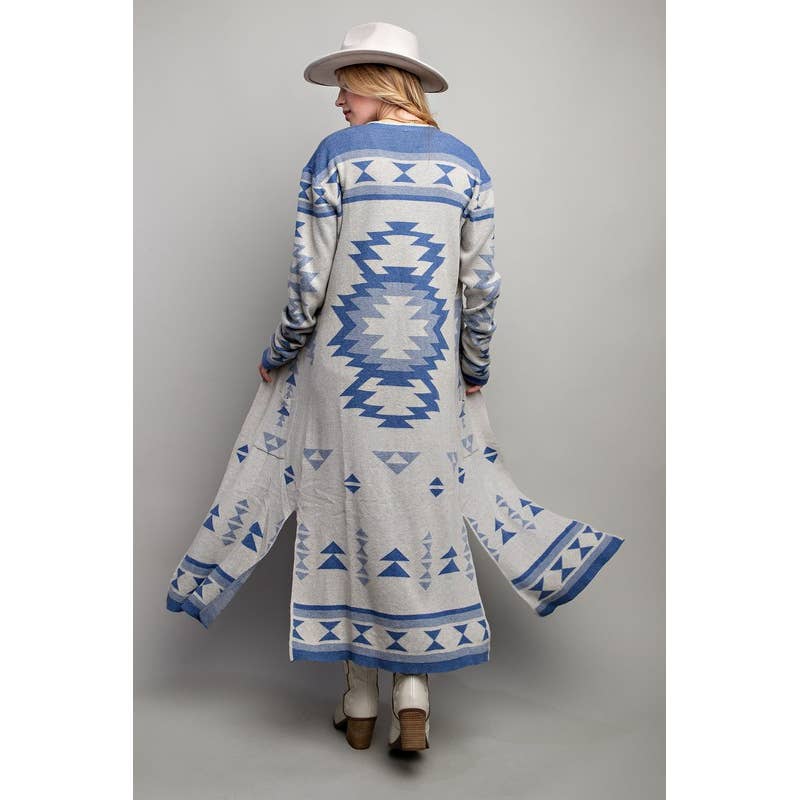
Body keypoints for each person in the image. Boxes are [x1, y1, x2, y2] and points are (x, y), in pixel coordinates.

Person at [166, 21, 625, 755]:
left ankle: (358, 699)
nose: (338, 102)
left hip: (343, 381)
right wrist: (472, 367)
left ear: (378, 81)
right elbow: (482, 288)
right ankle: (415, 695)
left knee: (344, 521)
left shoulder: (333, 158)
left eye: (346, 86)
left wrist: (278, 353)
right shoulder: (466, 165)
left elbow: (309, 283)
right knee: (422, 520)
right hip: (426, 381)